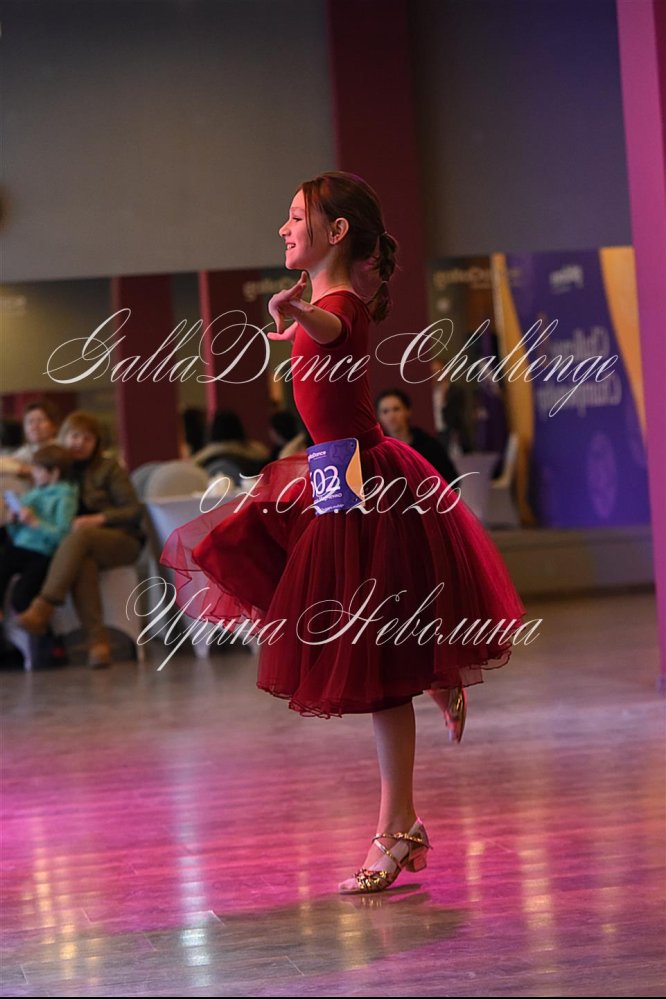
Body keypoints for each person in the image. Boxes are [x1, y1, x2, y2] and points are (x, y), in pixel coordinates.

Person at [160, 171, 526, 894]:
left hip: (366, 483)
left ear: (336, 233)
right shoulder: (322, 305)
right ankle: (427, 700)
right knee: (274, 571)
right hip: (337, 477)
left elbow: (335, 327)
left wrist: (298, 309)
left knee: (373, 660)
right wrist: (297, 313)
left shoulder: (340, 306)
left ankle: (399, 822)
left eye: (296, 217)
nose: (283, 228)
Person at [16, 411, 145, 668]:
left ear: (96, 443)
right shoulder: (59, 471)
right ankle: (98, 644)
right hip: (80, 547)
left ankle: (44, 606)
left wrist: (98, 518)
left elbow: (133, 510)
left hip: (122, 539)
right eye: (75, 436)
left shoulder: (109, 468)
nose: (80, 443)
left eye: (87, 438)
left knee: (82, 535)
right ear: (64, 437)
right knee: (83, 562)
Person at [0, 445, 77, 616]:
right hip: (20, 544)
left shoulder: (65, 498)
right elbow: (17, 531)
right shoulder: (34, 493)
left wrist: (35, 522)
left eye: (38, 470)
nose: (33, 474)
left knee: (21, 598)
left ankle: (40, 630)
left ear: (54, 473)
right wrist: (13, 520)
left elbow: (62, 535)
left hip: (42, 552)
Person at [376, 387, 460, 484]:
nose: (391, 416)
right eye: (385, 411)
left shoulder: (429, 445)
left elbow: (451, 479)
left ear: (408, 411)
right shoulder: (378, 452)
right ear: (379, 417)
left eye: (396, 409)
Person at [0, 399, 60, 477]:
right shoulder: (28, 449)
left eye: (40, 420)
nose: (35, 426)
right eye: (30, 421)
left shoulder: (59, 448)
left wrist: (22, 469)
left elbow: (47, 472)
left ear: (54, 426)